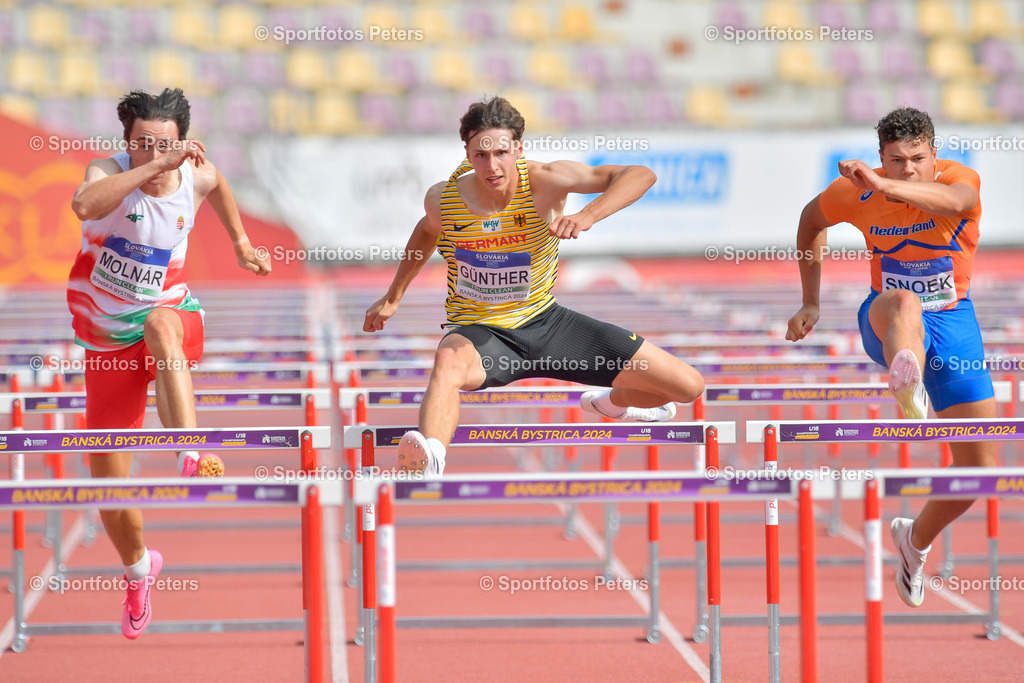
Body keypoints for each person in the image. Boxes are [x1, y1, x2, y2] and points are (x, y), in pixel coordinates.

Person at [364, 96, 704, 476]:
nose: (492, 166)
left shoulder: (547, 180)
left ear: (518, 149)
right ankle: (431, 458)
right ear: (467, 154)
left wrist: (588, 214)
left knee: (687, 386)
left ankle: (610, 403)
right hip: (484, 335)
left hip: (547, 323)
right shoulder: (444, 199)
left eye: (501, 153)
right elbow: (427, 232)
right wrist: (393, 297)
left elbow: (640, 174)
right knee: (447, 362)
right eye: (480, 156)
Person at [67, 88, 271, 639]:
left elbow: (219, 184)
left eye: (165, 145)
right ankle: (139, 572)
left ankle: (189, 450)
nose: (153, 153)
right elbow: (84, 206)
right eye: (142, 144)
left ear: (185, 143)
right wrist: (154, 165)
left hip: (175, 320)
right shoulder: (107, 172)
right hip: (108, 348)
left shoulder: (196, 175)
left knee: (160, 323)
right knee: (108, 488)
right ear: (127, 143)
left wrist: (241, 242)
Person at [786, 106, 996, 608]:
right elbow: (811, 221)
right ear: (882, 156)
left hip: (953, 320)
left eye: (917, 159)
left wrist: (883, 186)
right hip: (885, 316)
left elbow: (957, 202)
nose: (908, 169)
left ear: (934, 153)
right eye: (896, 161)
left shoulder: (958, 179)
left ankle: (914, 540)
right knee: (903, 303)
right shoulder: (853, 192)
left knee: (979, 472)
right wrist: (811, 300)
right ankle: (908, 387)